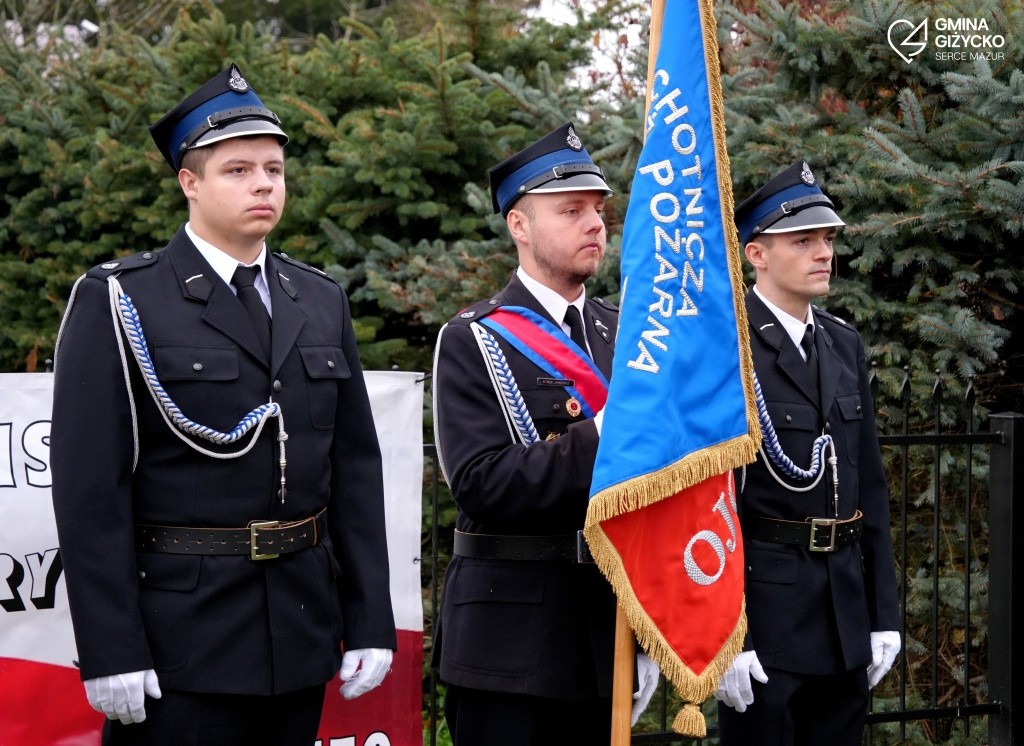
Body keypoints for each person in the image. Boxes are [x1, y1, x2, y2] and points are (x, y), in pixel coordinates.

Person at [50, 63, 397, 746]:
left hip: (298, 632)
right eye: (238, 169)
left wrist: (370, 620)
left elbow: (355, 472)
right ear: (190, 183)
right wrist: (111, 645)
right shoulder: (122, 299)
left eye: (273, 168)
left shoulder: (318, 298)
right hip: (181, 642)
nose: (264, 183)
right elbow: (90, 491)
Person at [431, 122, 658, 745]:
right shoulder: (474, 338)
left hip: (607, 633)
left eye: (597, 210)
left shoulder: (629, 336)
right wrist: (603, 434)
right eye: (570, 210)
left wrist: (649, 632)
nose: (594, 224)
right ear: (520, 226)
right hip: (510, 646)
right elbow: (481, 483)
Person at [714, 161, 902, 745]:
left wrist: (882, 615)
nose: (824, 253)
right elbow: (708, 503)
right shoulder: (726, 346)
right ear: (757, 255)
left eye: (827, 239)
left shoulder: (842, 342)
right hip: (767, 618)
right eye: (803, 241)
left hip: (843, 612)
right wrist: (725, 636)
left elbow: (868, 486)